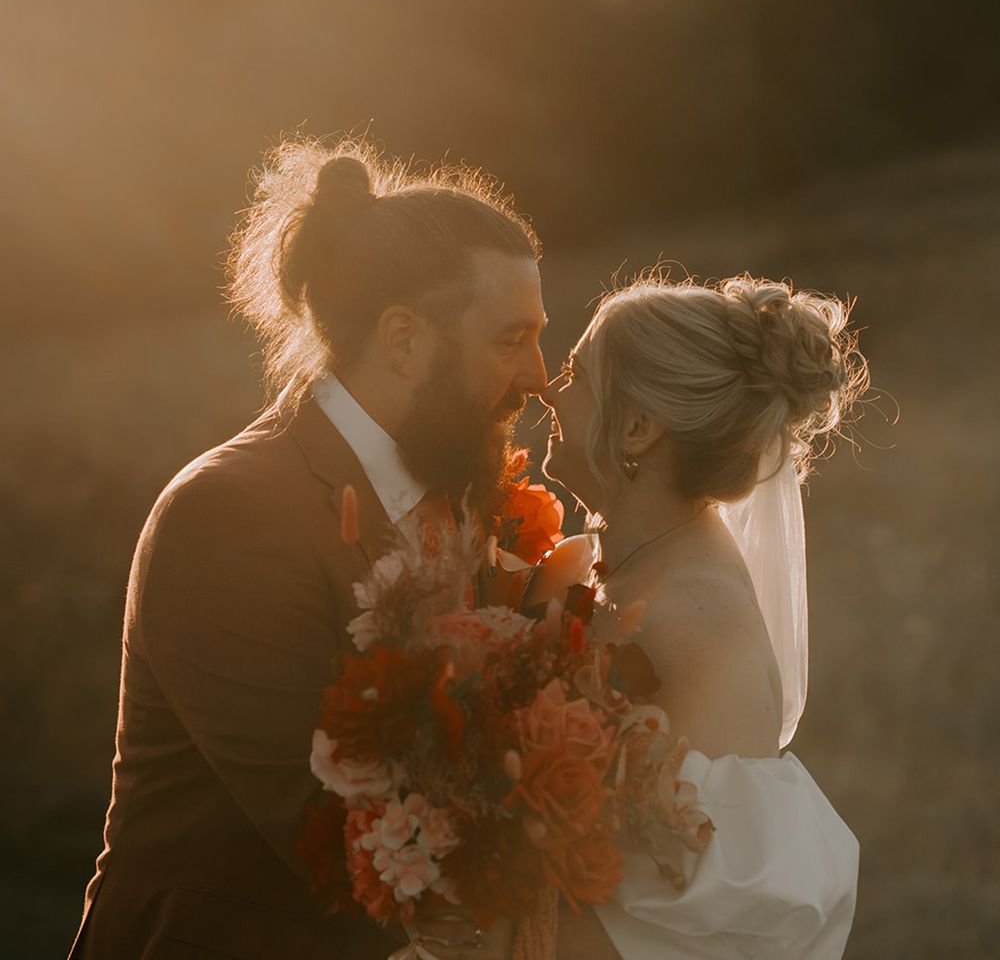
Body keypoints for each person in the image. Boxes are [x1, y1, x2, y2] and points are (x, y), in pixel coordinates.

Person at [68, 139, 549, 959]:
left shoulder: (462, 493)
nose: (539, 373)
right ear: (404, 340)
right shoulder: (229, 514)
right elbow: (333, 831)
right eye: (511, 339)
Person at [538, 273, 867, 959]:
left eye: (575, 372)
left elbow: (688, 922)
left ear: (636, 426)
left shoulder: (697, 625)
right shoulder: (581, 565)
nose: (547, 388)